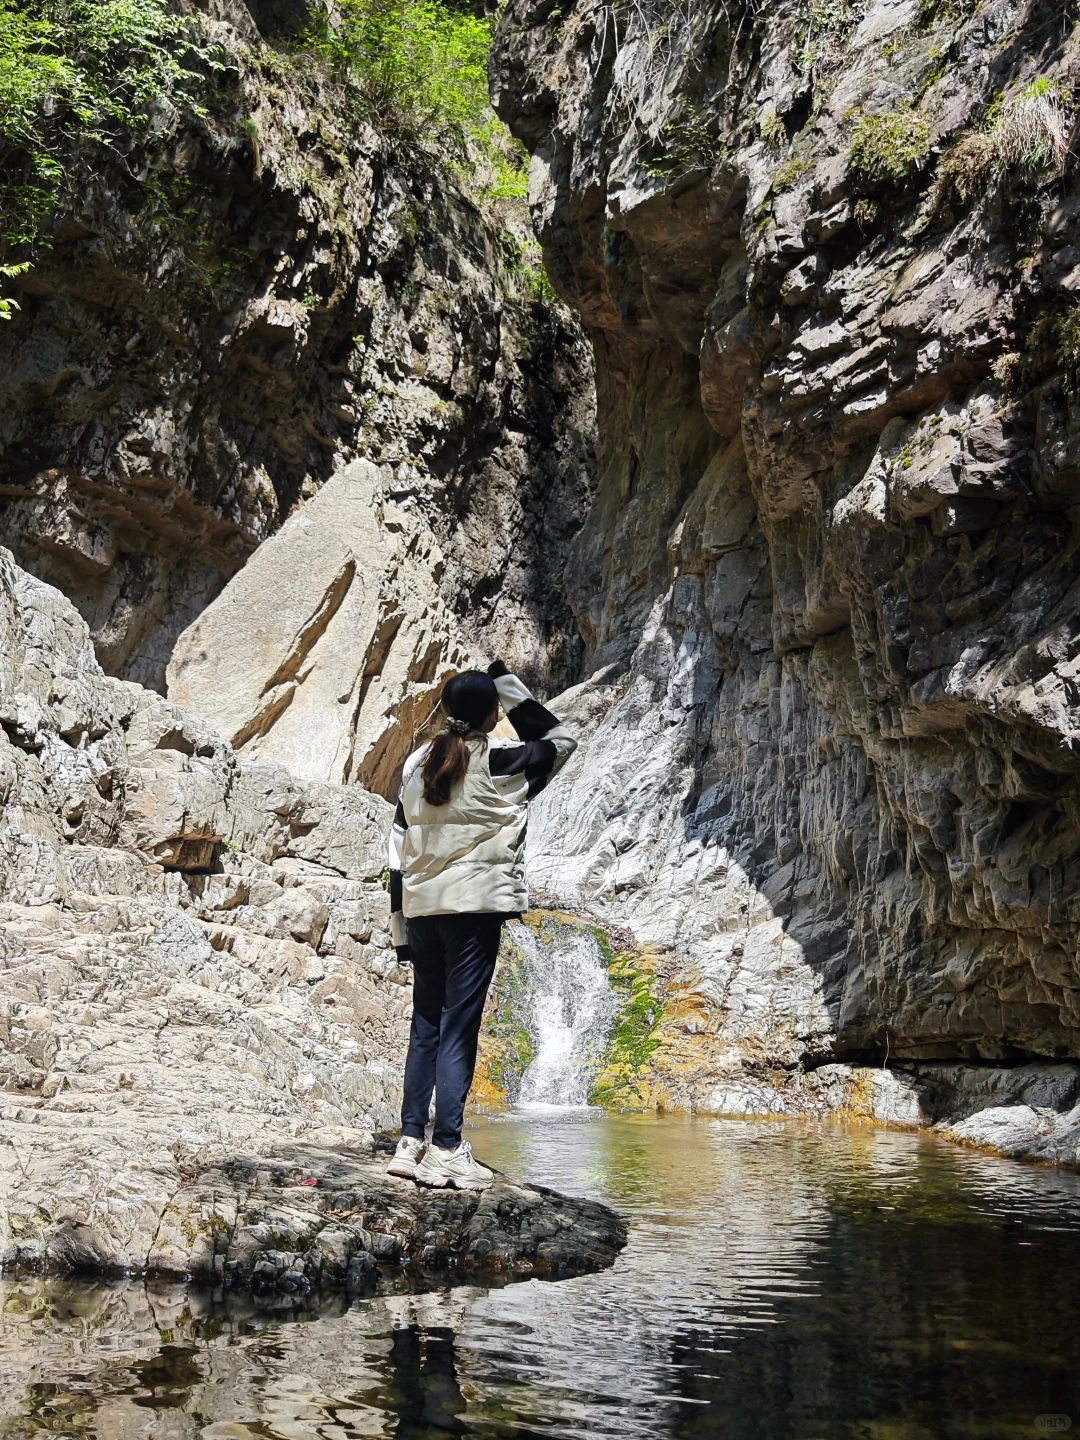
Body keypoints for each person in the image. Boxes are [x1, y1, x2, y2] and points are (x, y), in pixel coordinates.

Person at [385, 660, 577, 1190]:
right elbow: (561, 739)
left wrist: (400, 924)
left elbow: (398, 844)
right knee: (458, 1027)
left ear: (446, 712)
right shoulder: (502, 759)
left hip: (422, 909)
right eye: (496, 706)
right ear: (493, 714)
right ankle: (447, 1148)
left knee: (425, 1023)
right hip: (473, 911)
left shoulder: (417, 763)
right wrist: (508, 685)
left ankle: (408, 1142)